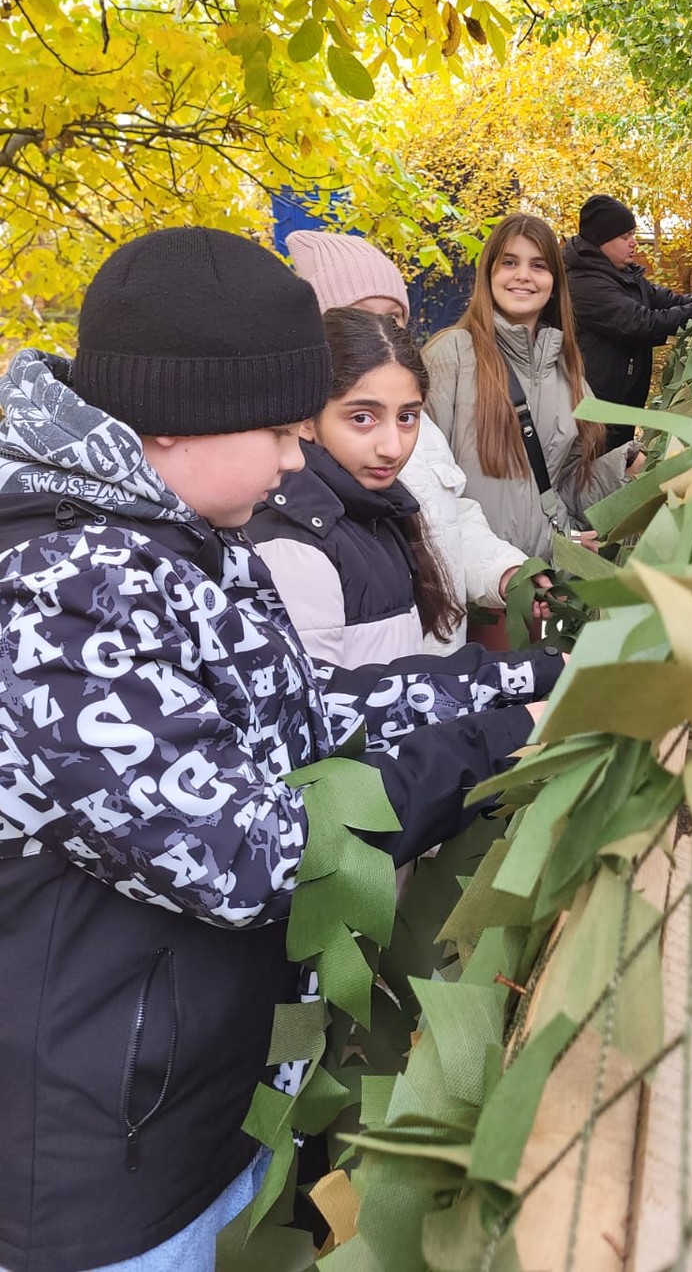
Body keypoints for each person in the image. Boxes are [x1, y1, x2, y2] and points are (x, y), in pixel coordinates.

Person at [0, 227, 563, 1272]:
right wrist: (495, 745)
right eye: (276, 428)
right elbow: (254, 852)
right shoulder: (56, 601)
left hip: (204, 1102)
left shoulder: (182, 541)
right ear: (174, 422)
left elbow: (313, 718)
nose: (297, 456)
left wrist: (523, 683)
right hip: (102, 1175)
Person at [284, 230, 529, 654]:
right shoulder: (288, 479)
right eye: (362, 315)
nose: (392, 447)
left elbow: (450, 521)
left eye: (394, 316)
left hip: (440, 677)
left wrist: (505, 574)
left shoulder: (420, 428)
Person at [246, 308, 466, 668]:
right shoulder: (292, 544)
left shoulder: (379, 512)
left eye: (407, 417)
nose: (392, 447)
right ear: (306, 419)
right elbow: (316, 708)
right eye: (362, 418)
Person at [423, 212, 643, 559]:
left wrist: (628, 468)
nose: (523, 275)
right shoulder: (451, 356)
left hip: (537, 589)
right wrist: (492, 574)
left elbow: (555, 499)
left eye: (538, 265)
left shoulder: (568, 373)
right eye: (510, 262)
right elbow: (425, 493)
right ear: (489, 273)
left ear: (555, 281)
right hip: (476, 592)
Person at [562, 194, 692, 451]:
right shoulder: (584, 283)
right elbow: (640, 323)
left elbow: (666, 300)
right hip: (598, 410)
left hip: (622, 404)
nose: (633, 243)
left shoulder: (624, 275)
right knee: (598, 478)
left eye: (633, 235)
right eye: (625, 237)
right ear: (601, 240)